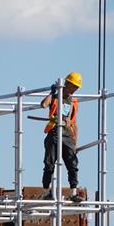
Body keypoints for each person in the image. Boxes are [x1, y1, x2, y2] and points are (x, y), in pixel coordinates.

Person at [40, 72, 82, 202]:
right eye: (73, 86)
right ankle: (46, 192)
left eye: (77, 87)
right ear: (67, 83)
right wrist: (52, 92)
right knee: (49, 164)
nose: (75, 89)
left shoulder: (73, 101)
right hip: (54, 132)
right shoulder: (56, 96)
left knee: (72, 163)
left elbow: (74, 123)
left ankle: (73, 192)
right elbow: (43, 104)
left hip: (67, 133)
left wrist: (75, 143)